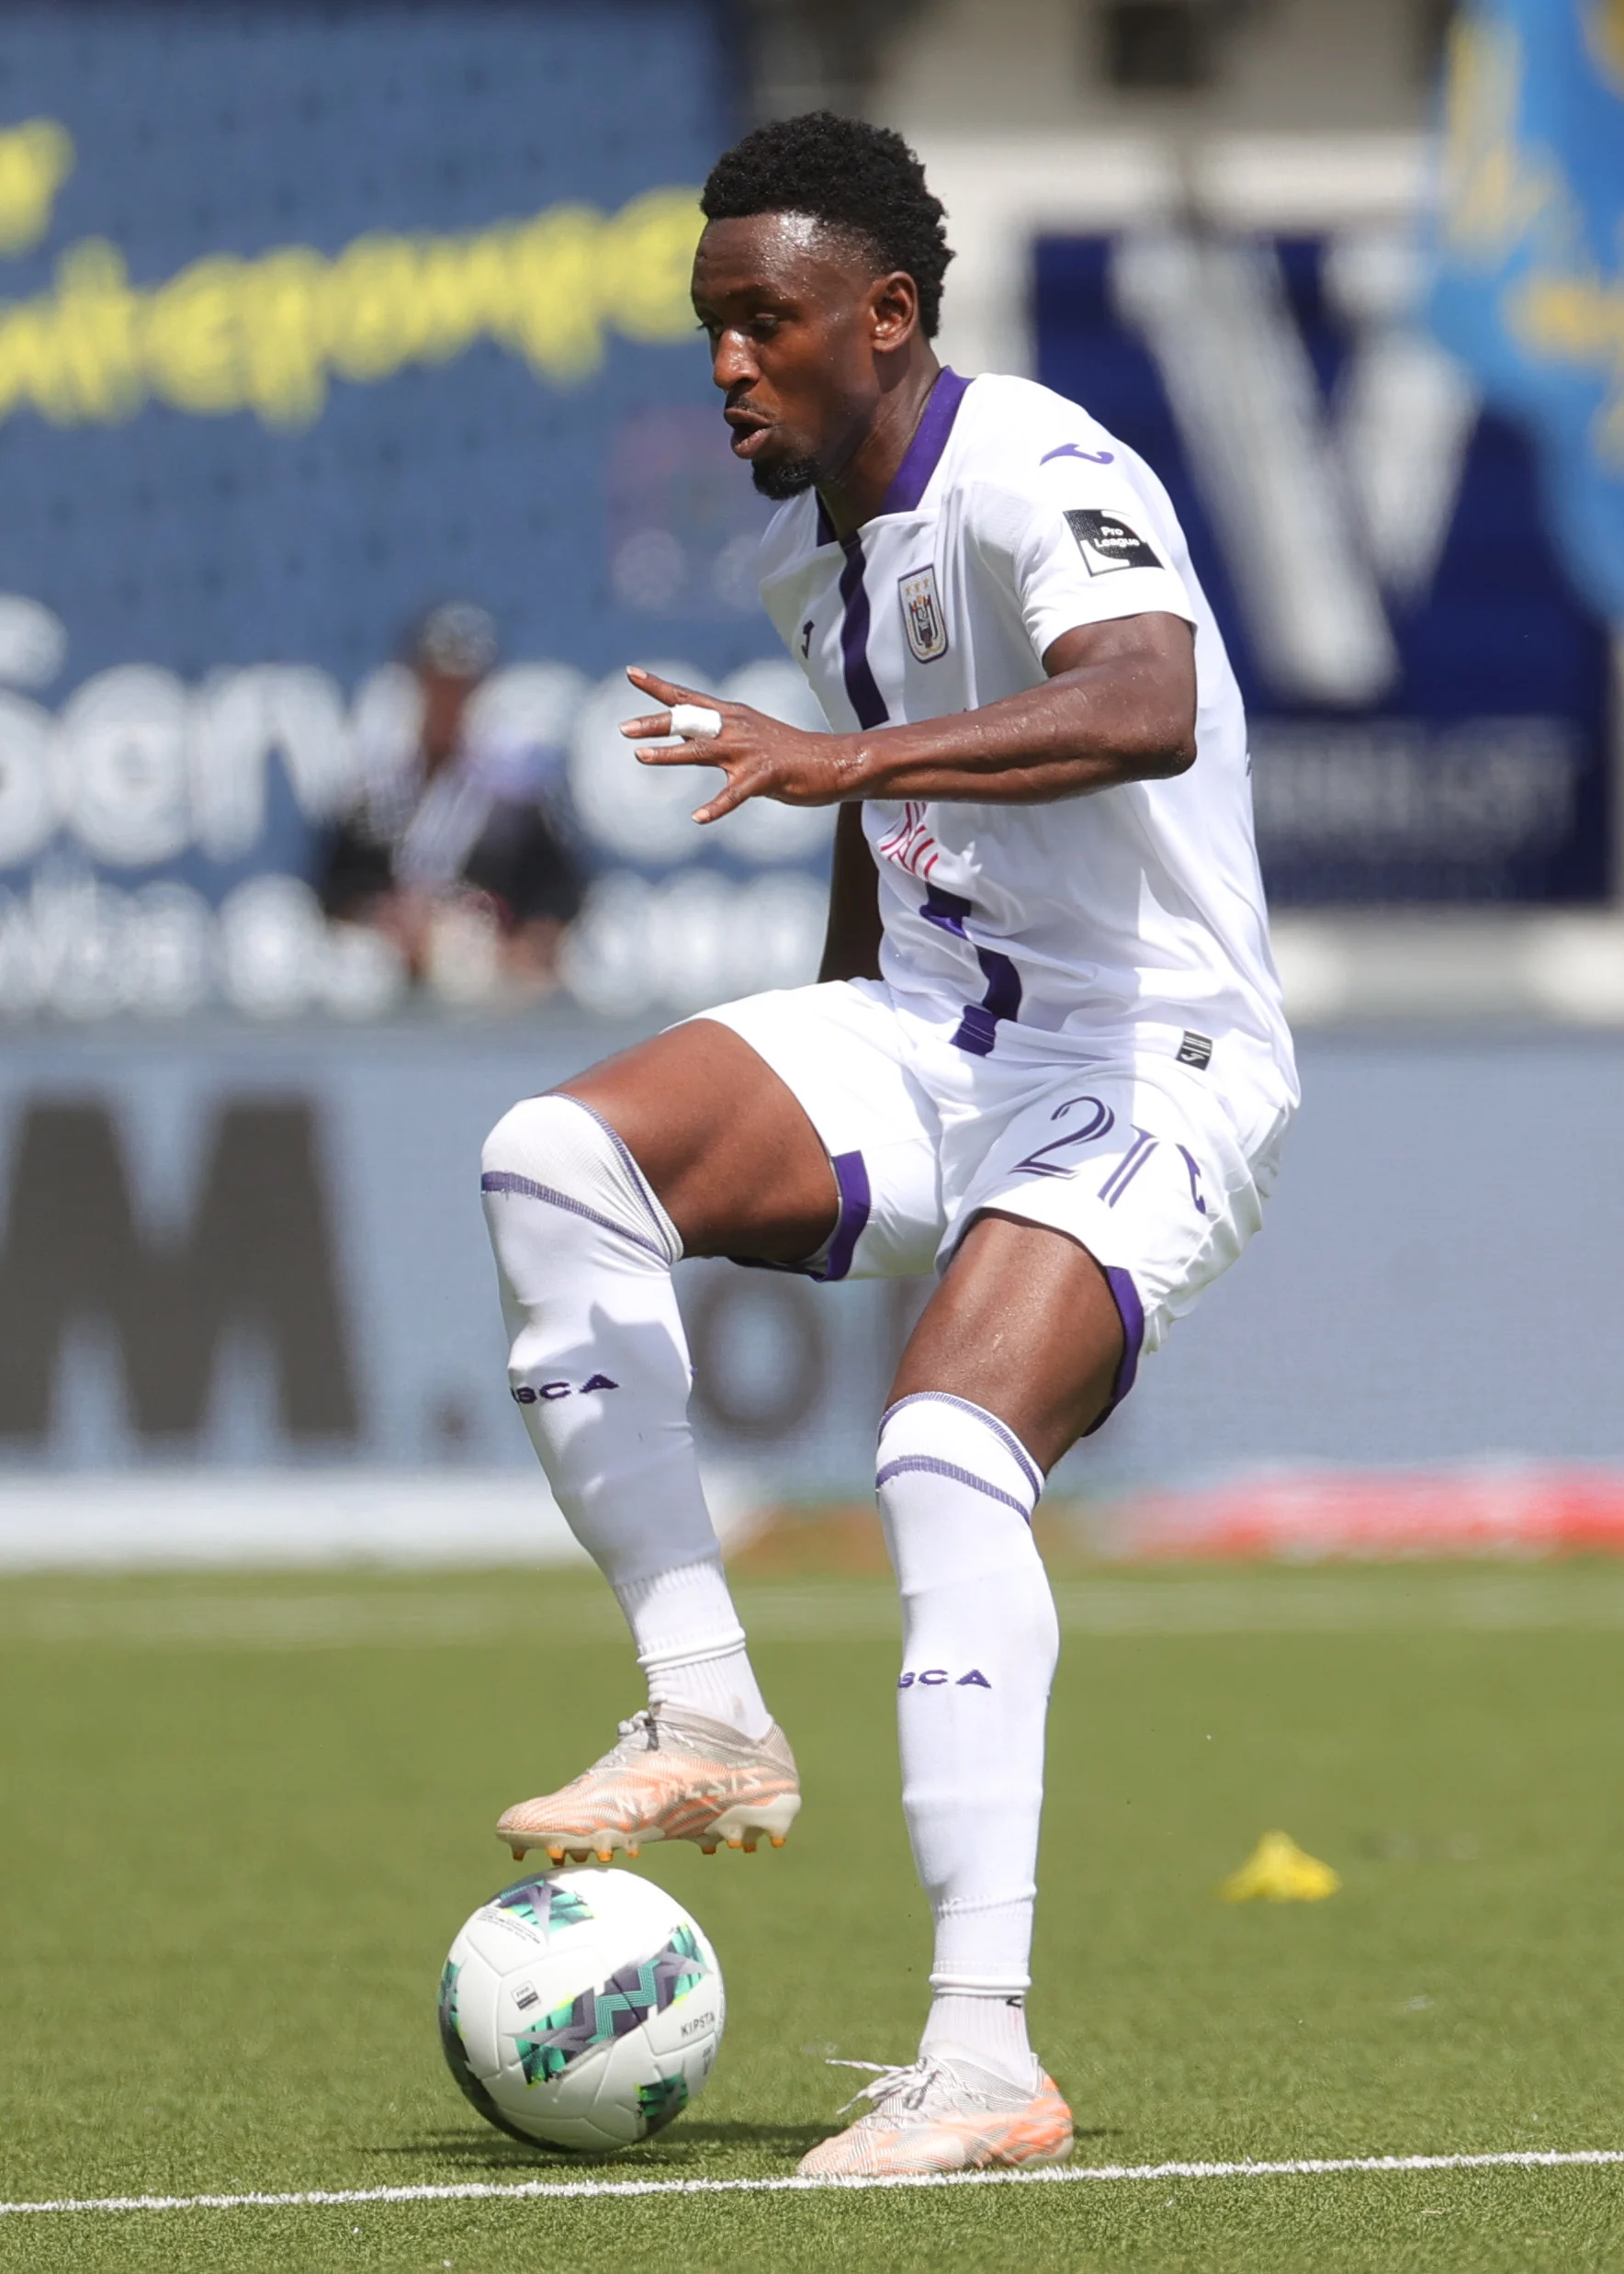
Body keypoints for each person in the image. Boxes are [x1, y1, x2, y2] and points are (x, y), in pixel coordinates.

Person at [479, 113, 1297, 2178]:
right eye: (709, 334)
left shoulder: (1042, 465)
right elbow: (884, 837)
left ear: (888, 315)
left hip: (1148, 1058)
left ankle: (978, 2053)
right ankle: (703, 1710)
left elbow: (1141, 704)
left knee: (939, 1450)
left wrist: (835, 759)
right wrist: (807, 1080)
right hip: (933, 1036)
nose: (729, 368)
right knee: (551, 1154)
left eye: (762, 324)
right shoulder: (795, 552)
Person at [319, 602, 583, 997]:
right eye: (437, 681)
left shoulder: (513, 795)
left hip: (486, 988)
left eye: (461, 684)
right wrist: (387, 922)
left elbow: (558, 897)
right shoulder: (375, 787)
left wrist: (523, 943)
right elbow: (333, 892)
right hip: (385, 987)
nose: (449, 698)